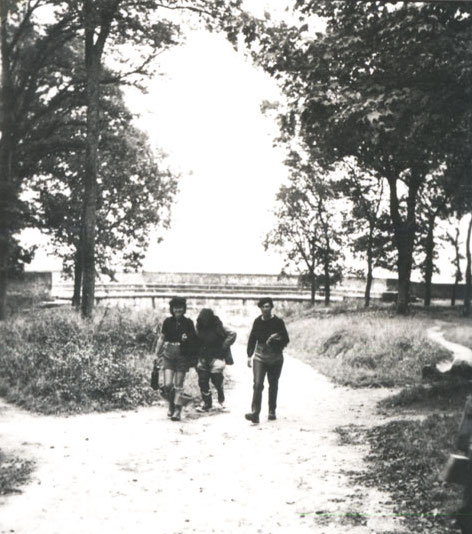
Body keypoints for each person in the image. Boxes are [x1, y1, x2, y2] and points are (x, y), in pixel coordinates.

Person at [245, 297, 289, 424]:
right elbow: (252, 338)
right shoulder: (257, 322)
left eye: (268, 306)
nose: (265, 309)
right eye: (263, 307)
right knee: (258, 384)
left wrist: (276, 338)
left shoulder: (278, 322)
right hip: (260, 356)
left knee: (273, 383)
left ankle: (272, 410)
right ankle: (255, 413)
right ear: (260, 308)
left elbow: (286, 339)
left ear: (271, 307)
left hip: (275, 356)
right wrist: (249, 355)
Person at [155, 296, 196, 421]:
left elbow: (194, 340)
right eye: (175, 308)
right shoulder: (167, 322)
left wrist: (187, 339)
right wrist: (156, 354)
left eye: (180, 308)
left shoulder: (189, 323)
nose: (177, 310)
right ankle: (171, 405)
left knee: (178, 385)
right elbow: (162, 338)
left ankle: (178, 410)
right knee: (168, 385)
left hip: (182, 355)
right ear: (172, 309)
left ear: (184, 309)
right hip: (169, 354)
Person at [195, 308, 236, 413]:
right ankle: (207, 403)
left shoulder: (219, 327)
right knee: (203, 381)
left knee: (217, 380)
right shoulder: (198, 328)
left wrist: (223, 346)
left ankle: (221, 400)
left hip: (217, 358)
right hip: (203, 358)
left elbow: (233, 333)